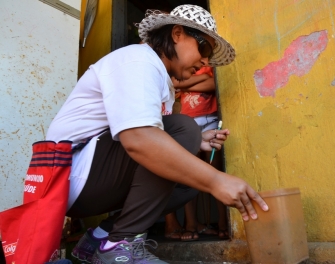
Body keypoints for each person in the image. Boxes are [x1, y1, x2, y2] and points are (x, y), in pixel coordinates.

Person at [46, 5, 268, 264]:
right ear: (177, 34)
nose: (206, 61)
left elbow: (149, 133)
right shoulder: (138, 60)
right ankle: (121, 244)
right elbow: (139, 139)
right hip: (67, 177)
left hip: (89, 179)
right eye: (204, 48)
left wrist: (198, 139)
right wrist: (217, 180)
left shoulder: (161, 80)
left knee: (187, 181)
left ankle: (101, 239)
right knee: (184, 128)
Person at [164, 66, 229, 241]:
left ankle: (224, 221)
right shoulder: (182, 67)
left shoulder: (207, 66)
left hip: (211, 121)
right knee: (189, 176)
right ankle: (191, 224)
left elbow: (212, 83)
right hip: (188, 123)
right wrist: (191, 82)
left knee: (214, 174)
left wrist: (184, 86)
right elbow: (173, 83)